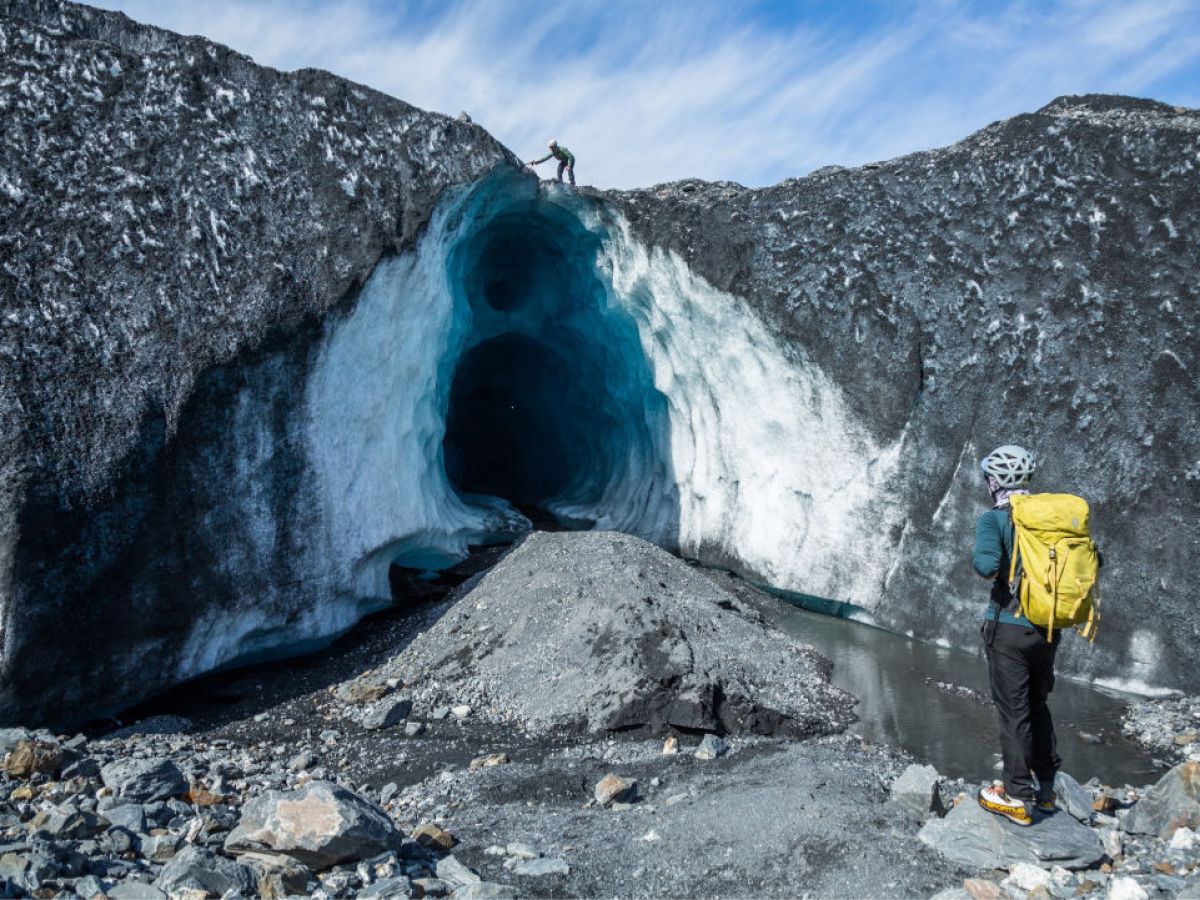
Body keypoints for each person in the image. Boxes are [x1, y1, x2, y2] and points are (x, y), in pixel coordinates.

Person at [973, 444, 1059, 827]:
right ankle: (1046, 791)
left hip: (1008, 628)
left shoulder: (995, 519)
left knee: (1014, 714)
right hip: (1048, 630)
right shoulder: (1052, 517)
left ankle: (1016, 797)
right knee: (1038, 705)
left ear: (995, 481)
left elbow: (986, 566)